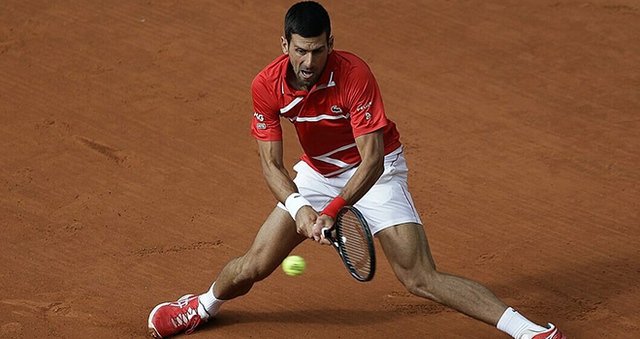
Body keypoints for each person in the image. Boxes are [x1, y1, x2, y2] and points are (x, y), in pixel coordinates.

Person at [147, 2, 566, 338]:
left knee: (419, 277)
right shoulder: (266, 86)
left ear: (331, 43)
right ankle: (201, 306)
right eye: (300, 50)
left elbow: (373, 159)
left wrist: (332, 209)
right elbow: (271, 165)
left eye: (317, 49)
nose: (309, 60)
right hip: (315, 173)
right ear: (284, 45)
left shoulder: (354, 75)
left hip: (375, 174)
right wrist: (300, 208)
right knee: (255, 264)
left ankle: (531, 333)